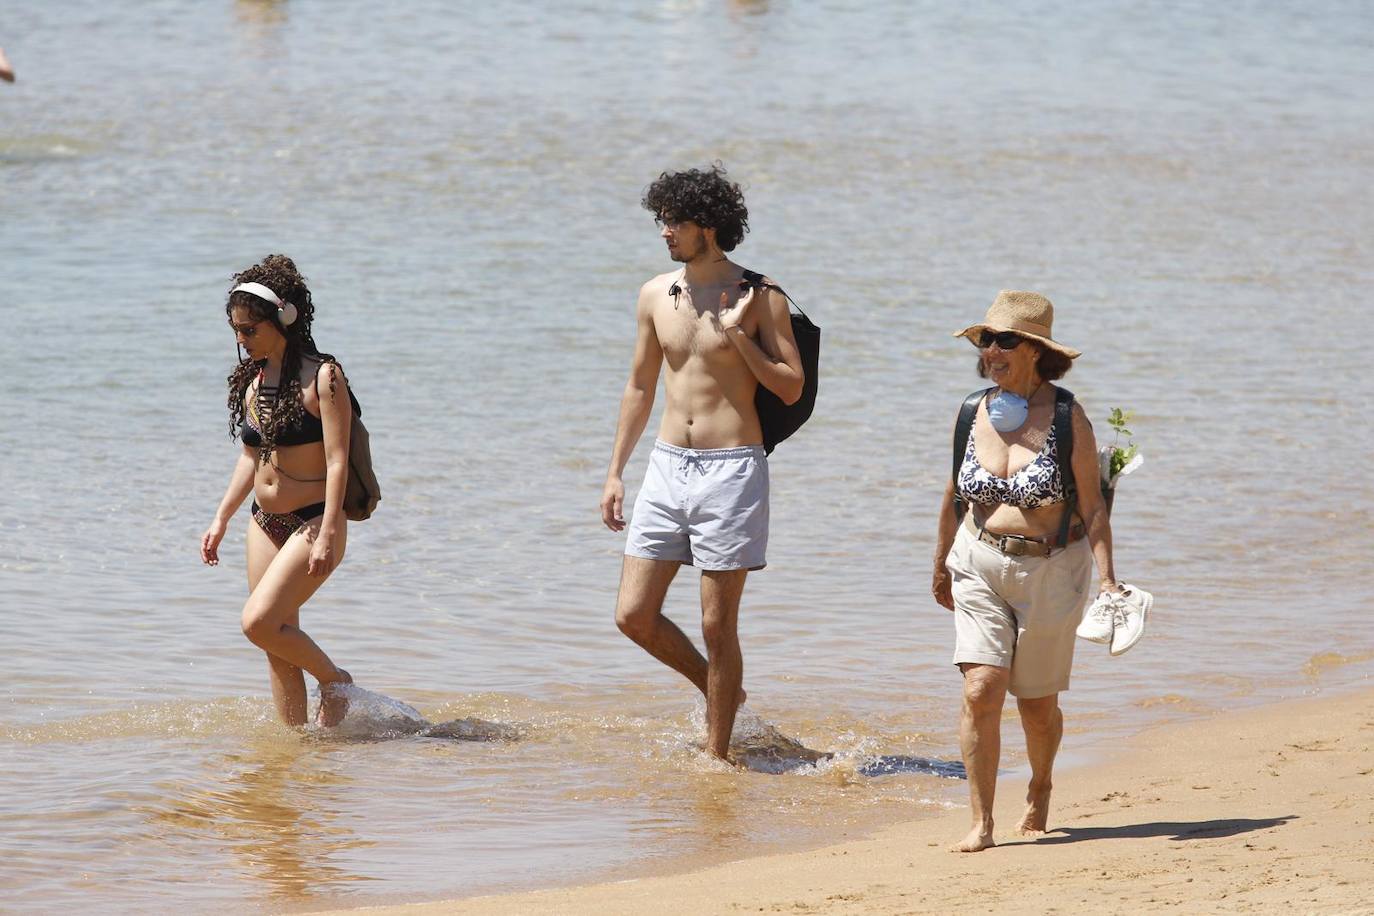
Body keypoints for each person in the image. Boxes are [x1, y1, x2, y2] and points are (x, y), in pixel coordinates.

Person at [600, 164, 804, 761]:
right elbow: (639, 386)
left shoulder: (762, 297)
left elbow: (790, 386)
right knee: (633, 615)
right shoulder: (654, 295)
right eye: (662, 220)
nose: (664, 231)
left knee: (718, 627)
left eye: (675, 222)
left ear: (708, 228)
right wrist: (616, 471)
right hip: (666, 466)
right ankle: (725, 694)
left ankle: (719, 757)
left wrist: (739, 336)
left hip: (732, 468)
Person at [931, 290, 1146, 852]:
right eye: (986, 340)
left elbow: (1094, 505)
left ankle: (1041, 786)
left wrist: (1107, 580)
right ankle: (981, 822)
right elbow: (954, 495)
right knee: (982, 688)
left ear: (1035, 350)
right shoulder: (969, 410)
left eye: (1005, 340)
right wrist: (938, 565)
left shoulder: (1068, 417)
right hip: (977, 559)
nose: (991, 350)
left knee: (1035, 703)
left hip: (1052, 568)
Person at [200, 254, 354, 727]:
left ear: (282, 319)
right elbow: (250, 456)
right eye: (237, 332)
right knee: (276, 642)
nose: (242, 341)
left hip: (312, 519)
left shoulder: (323, 377)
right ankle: (294, 753)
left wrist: (328, 530)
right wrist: (221, 517)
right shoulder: (255, 379)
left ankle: (335, 680)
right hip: (262, 522)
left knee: (258, 623)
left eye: (250, 330)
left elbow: (337, 459)